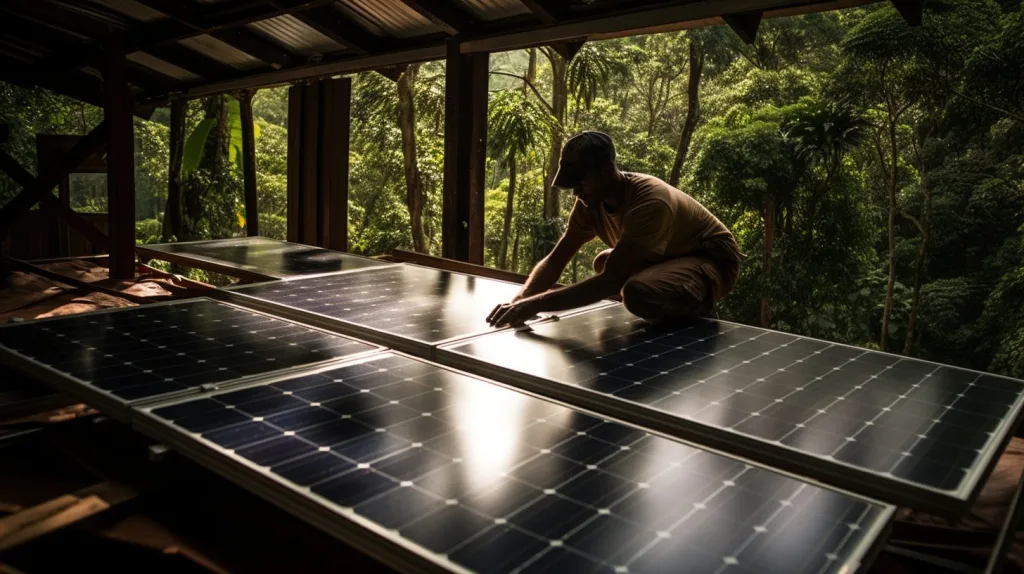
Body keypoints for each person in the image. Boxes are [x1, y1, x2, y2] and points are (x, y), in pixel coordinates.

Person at [487, 130, 743, 327]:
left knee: (635, 292)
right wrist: (520, 301)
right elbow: (557, 259)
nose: (576, 192)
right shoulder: (589, 202)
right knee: (603, 262)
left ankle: (696, 315)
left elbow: (611, 280)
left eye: (581, 183)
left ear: (607, 170)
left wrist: (536, 305)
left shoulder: (650, 202)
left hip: (711, 262)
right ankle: (670, 299)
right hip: (670, 257)